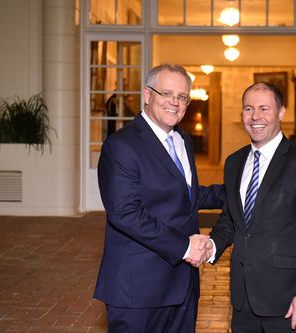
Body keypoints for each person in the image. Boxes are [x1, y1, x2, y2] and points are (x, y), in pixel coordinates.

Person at [94, 63, 224, 332]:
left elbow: (185, 196)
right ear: (147, 94)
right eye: (167, 93)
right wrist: (185, 248)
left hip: (182, 285)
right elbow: (125, 213)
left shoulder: (183, 140)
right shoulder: (121, 145)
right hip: (139, 288)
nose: (174, 103)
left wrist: (238, 191)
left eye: (182, 97)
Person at [206, 82, 296, 332]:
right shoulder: (234, 162)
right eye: (248, 109)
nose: (255, 117)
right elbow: (232, 220)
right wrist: (211, 246)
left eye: (264, 108)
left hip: (289, 303)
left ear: (281, 113)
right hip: (243, 302)